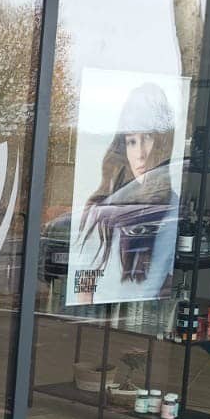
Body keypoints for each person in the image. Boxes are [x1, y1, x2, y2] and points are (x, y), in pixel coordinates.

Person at [71, 82, 179, 304]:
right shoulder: (106, 200)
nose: (140, 153)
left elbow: (155, 280)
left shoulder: (169, 203)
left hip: (134, 315)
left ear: (161, 142)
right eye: (131, 141)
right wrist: (83, 310)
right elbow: (85, 271)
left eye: (147, 138)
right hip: (96, 311)